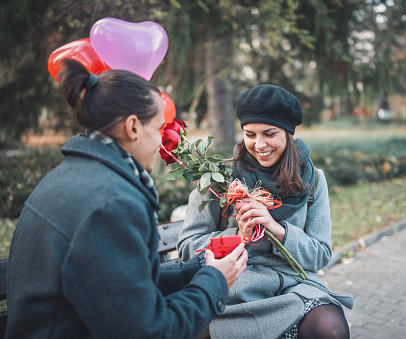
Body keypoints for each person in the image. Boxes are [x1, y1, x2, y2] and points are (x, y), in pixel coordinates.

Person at [6, 59, 248, 339]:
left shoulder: (73, 176)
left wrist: (198, 268)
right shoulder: (111, 204)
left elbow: (120, 283)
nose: (161, 142)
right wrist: (215, 281)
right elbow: (150, 331)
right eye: (158, 129)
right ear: (133, 127)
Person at [177, 84, 353, 339]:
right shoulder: (218, 178)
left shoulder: (313, 179)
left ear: (287, 134)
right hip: (235, 289)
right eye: (250, 134)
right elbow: (186, 248)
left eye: (269, 134)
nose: (259, 145)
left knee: (330, 330)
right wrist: (237, 236)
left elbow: (321, 254)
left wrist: (278, 230)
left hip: (294, 287)